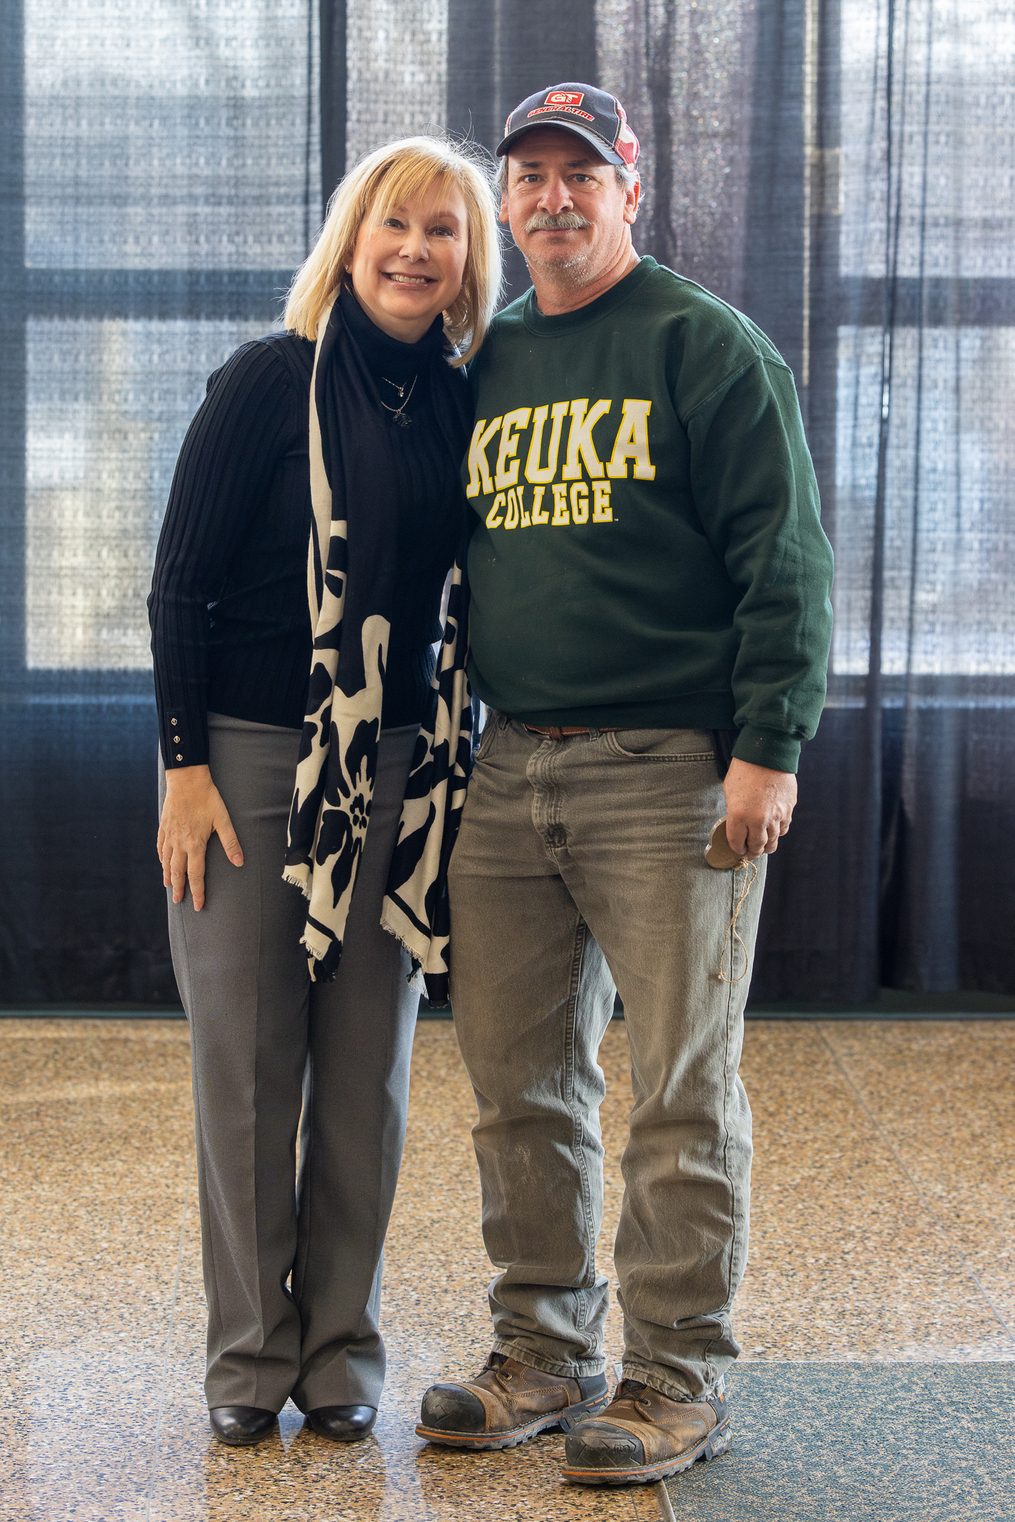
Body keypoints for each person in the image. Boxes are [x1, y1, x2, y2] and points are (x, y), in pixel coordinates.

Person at [416, 85, 834, 1487]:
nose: (552, 198)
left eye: (578, 175)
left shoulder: (702, 345)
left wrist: (768, 750)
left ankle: (674, 1372)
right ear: (507, 201)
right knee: (517, 1083)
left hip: (671, 771)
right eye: (528, 176)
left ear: (628, 190)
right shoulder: (492, 355)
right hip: (512, 761)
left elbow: (786, 560)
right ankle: (542, 1348)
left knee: (680, 1090)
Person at [148, 135, 500, 1448]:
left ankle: (341, 1353)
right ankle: (249, 1359)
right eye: (394, 224)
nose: (415, 250)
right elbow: (179, 585)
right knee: (249, 1071)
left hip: (400, 772)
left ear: (469, 265)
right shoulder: (268, 381)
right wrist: (183, 771)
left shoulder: (464, 406)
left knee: (367, 1082)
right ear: (352, 240)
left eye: (443, 231)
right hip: (249, 761)